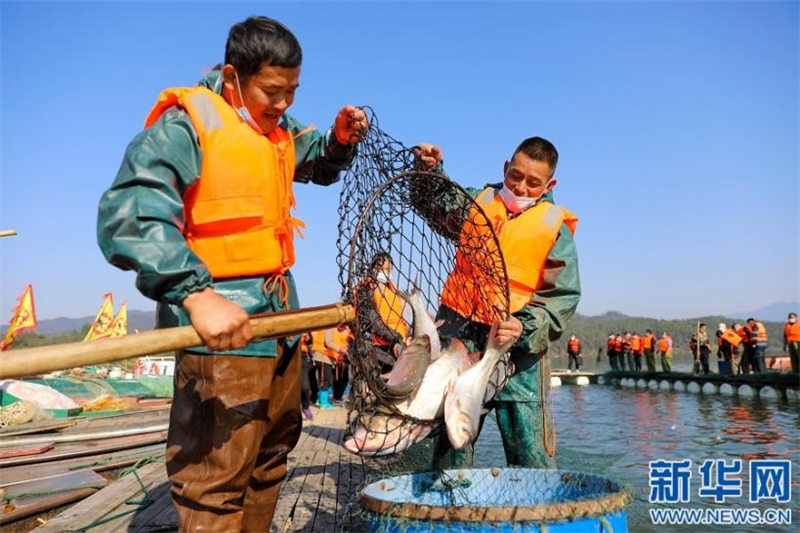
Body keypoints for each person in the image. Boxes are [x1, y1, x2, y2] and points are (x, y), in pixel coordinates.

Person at [96, 16, 370, 531]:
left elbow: (316, 158)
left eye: (292, 91)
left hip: (280, 326)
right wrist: (196, 295)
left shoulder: (278, 132)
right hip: (220, 335)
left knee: (269, 460)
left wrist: (337, 141)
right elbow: (130, 215)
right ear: (232, 75)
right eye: (273, 90)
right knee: (215, 477)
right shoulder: (187, 125)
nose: (284, 103)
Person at [415, 136, 580, 470]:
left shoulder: (555, 227)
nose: (520, 188)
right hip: (459, 336)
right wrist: (430, 171)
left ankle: (535, 517)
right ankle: (450, 510)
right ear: (506, 168)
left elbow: (561, 297)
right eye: (515, 177)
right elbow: (437, 204)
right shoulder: (477, 202)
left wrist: (525, 325)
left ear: (550, 184)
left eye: (534, 183)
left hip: (516, 350)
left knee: (529, 454)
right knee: (452, 440)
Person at [354, 252, 409, 368]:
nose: (388, 273)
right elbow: (373, 322)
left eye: (390, 269)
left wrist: (406, 337)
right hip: (381, 350)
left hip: (398, 344)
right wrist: (397, 337)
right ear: (374, 268)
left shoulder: (391, 288)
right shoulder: (367, 287)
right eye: (385, 269)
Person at [311, 329, 334, 408]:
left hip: (323, 357)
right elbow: (329, 343)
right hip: (323, 357)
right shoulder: (328, 329)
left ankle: (322, 400)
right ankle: (322, 401)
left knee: (324, 379)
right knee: (325, 379)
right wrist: (341, 350)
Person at [299, 333, 314, 420]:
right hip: (288, 354)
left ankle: (305, 407)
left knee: (305, 386)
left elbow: (310, 342)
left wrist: (308, 339)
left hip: (302, 355)